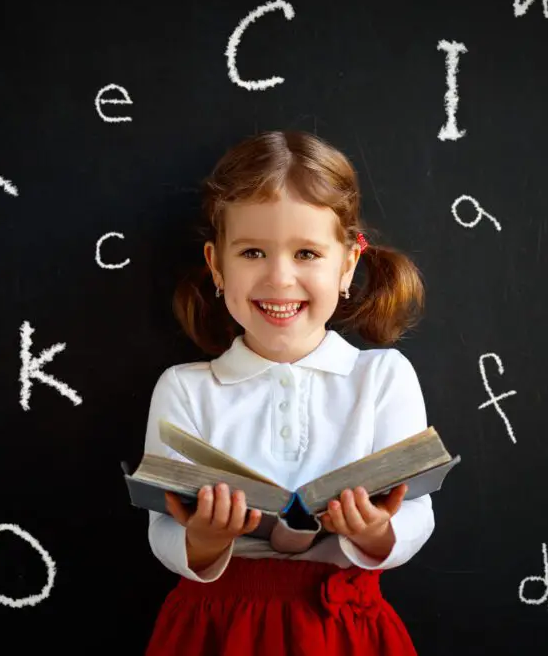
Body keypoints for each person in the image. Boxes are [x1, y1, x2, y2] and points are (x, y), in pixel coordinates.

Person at [142, 130, 432, 656]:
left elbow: (416, 511)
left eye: (306, 253)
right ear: (216, 266)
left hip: (344, 627)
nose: (279, 278)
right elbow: (162, 524)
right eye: (253, 251)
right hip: (216, 628)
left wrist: (373, 534)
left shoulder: (383, 377)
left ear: (346, 265)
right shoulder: (185, 389)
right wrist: (205, 539)